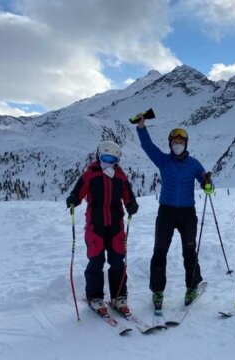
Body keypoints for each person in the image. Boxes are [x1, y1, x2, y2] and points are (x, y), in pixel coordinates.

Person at [135, 114, 212, 309]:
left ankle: (192, 286)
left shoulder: (194, 164)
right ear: (170, 144)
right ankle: (158, 291)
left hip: (187, 213)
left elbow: (205, 182)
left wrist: (208, 184)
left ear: (186, 144)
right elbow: (148, 147)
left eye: (181, 142)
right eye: (174, 142)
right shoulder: (163, 160)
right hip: (166, 212)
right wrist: (141, 127)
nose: (178, 145)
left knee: (189, 251)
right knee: (160, 251)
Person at [66, 141, 138, 317]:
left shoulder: (120, 177)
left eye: (112, 159)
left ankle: (119, 296)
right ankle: (95, 297)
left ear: (117, 160)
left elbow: (128, 195)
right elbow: (79, 191)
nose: (108, 161)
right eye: (105, 157)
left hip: (115, 226)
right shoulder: (90, 174)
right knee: (96, 261)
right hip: (95, 226)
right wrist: (74, 197)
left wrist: (132, 204)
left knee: (117, 261)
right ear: (98, 156)